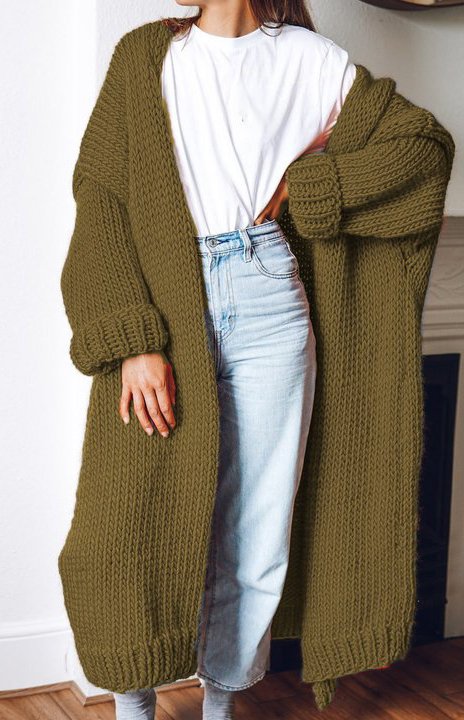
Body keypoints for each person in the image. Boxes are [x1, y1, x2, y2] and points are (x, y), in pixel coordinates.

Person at [109, 2, 357, 719]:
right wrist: (134, 338)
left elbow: (414, 145)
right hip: (167, 294)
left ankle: (220, 705)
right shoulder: (145, 57)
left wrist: (305, 184)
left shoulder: (314, 60)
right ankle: (134, 704)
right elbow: (102, 201)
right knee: (137, 516)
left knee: (256, 528)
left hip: (268, 290)